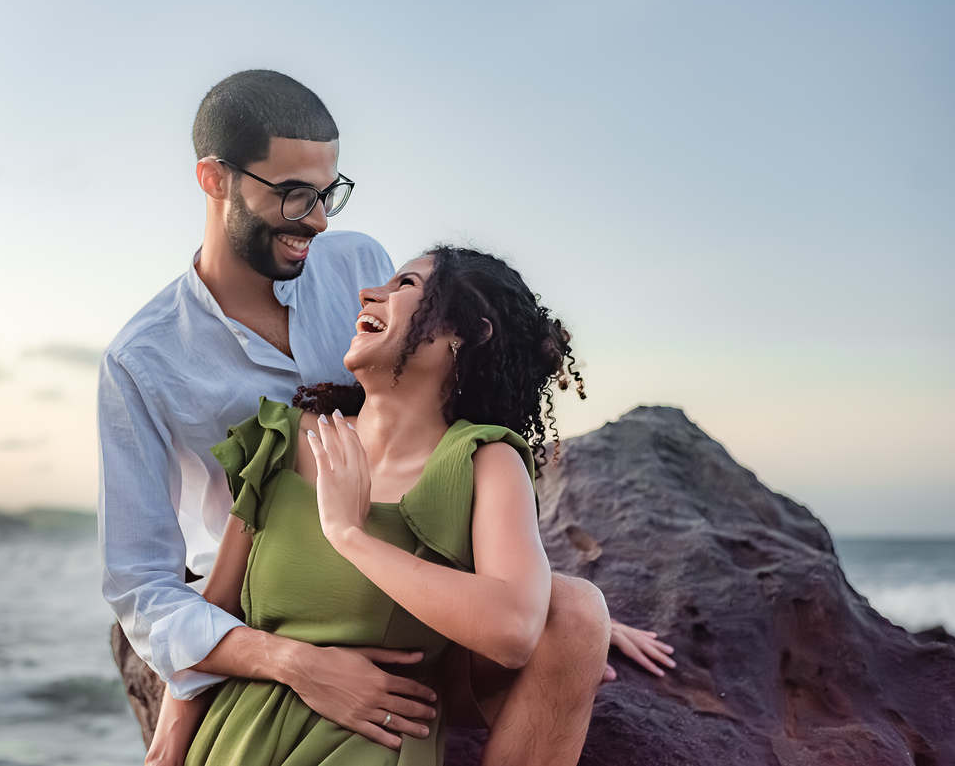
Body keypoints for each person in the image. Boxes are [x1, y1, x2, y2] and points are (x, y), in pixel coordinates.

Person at [98, 70, 675, 766]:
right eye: (293, 195)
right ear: (216, 180)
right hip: (267, 598)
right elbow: (142, 586)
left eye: (328, 191)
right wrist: (283, 664)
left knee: (577, 612)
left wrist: (526, 583)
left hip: (407, 586)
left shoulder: (353, 265)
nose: (318, 219)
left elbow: (428, 413)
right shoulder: (143, 361)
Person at [157, 245, 605, 766]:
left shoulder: (484, 460)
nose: (372, 294)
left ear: (469, 332)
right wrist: (164, 751)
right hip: (239, 737)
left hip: (373, 745)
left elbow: (514, 630)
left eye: (406, 286)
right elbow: (215, 610)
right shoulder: (283, 439)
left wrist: (351, 536)